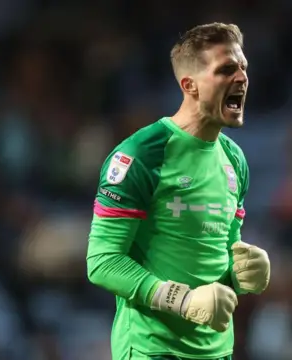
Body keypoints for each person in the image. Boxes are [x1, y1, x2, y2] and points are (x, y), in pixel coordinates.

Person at [86, 23, 271, 360]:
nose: (242, 78)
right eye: (227, 69)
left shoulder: (234, 159)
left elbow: (221, 254)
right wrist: (181, 300)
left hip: (217, 351)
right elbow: (102, 261)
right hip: (151, 349)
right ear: (190, 86)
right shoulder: (142, 154)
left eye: (243, 67)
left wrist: (243, 272)